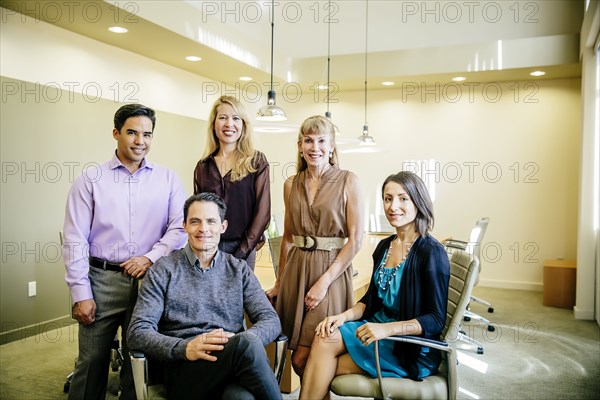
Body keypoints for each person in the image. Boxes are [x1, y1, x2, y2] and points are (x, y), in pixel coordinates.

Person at [62, 104, 188, 400]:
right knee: (92, 362)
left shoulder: (168, 179)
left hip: (151, 282)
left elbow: (179, 228)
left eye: (147, 134)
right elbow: (74, 238)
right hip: (102, 280)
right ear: (116, 133)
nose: (139, 141)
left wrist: (150, 257)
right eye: (132, 132)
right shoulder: (90, 180)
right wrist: (82, 294)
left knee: (140, 362)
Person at [299, 171, 451, 400]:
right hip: (375, 328)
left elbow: (436, 319)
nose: (393, 206)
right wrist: (342, 317)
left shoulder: (431, 252)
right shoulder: (384, 246)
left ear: (418, 202)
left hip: (407, 345)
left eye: (403, 198)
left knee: (321, 366)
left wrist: (386, 330)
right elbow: (370, 300)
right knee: (324, 337)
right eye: (388, 199)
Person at [127, 192, 283, 400]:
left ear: (223, 227)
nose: (203, 229)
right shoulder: (163, 270)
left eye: (211, 221)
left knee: (241, 398)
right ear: (184, 226)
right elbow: (137, 331)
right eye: (195, 221)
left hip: (232, 364)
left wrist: (242, 343)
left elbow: (270, 320)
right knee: (245, 346)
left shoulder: (239, 270)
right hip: (184, 370)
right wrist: (184, 348)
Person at [265, 115, 364, 379]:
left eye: (322, 140)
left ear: (332, 147)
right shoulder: (290, 184)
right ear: (299, 146)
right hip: (296, 273)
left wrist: (324, 282)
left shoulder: (348, 181)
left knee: (305, 355)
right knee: (296, 355)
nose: (314, 147)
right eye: (308, 140)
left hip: (330, 275)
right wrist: (278, 282)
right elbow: (287, 237)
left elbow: (355, 240)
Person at [193, 95, 271, 270]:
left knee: (238, 297)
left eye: (236, 118)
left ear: (243, 125)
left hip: (243, 249)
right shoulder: (203, 166)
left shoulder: (256, 161)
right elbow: (197, 211)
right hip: (208, 248)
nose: (229, 124)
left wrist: (242, 252)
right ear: (214, 124)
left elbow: (263, 213)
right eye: (222, 118)